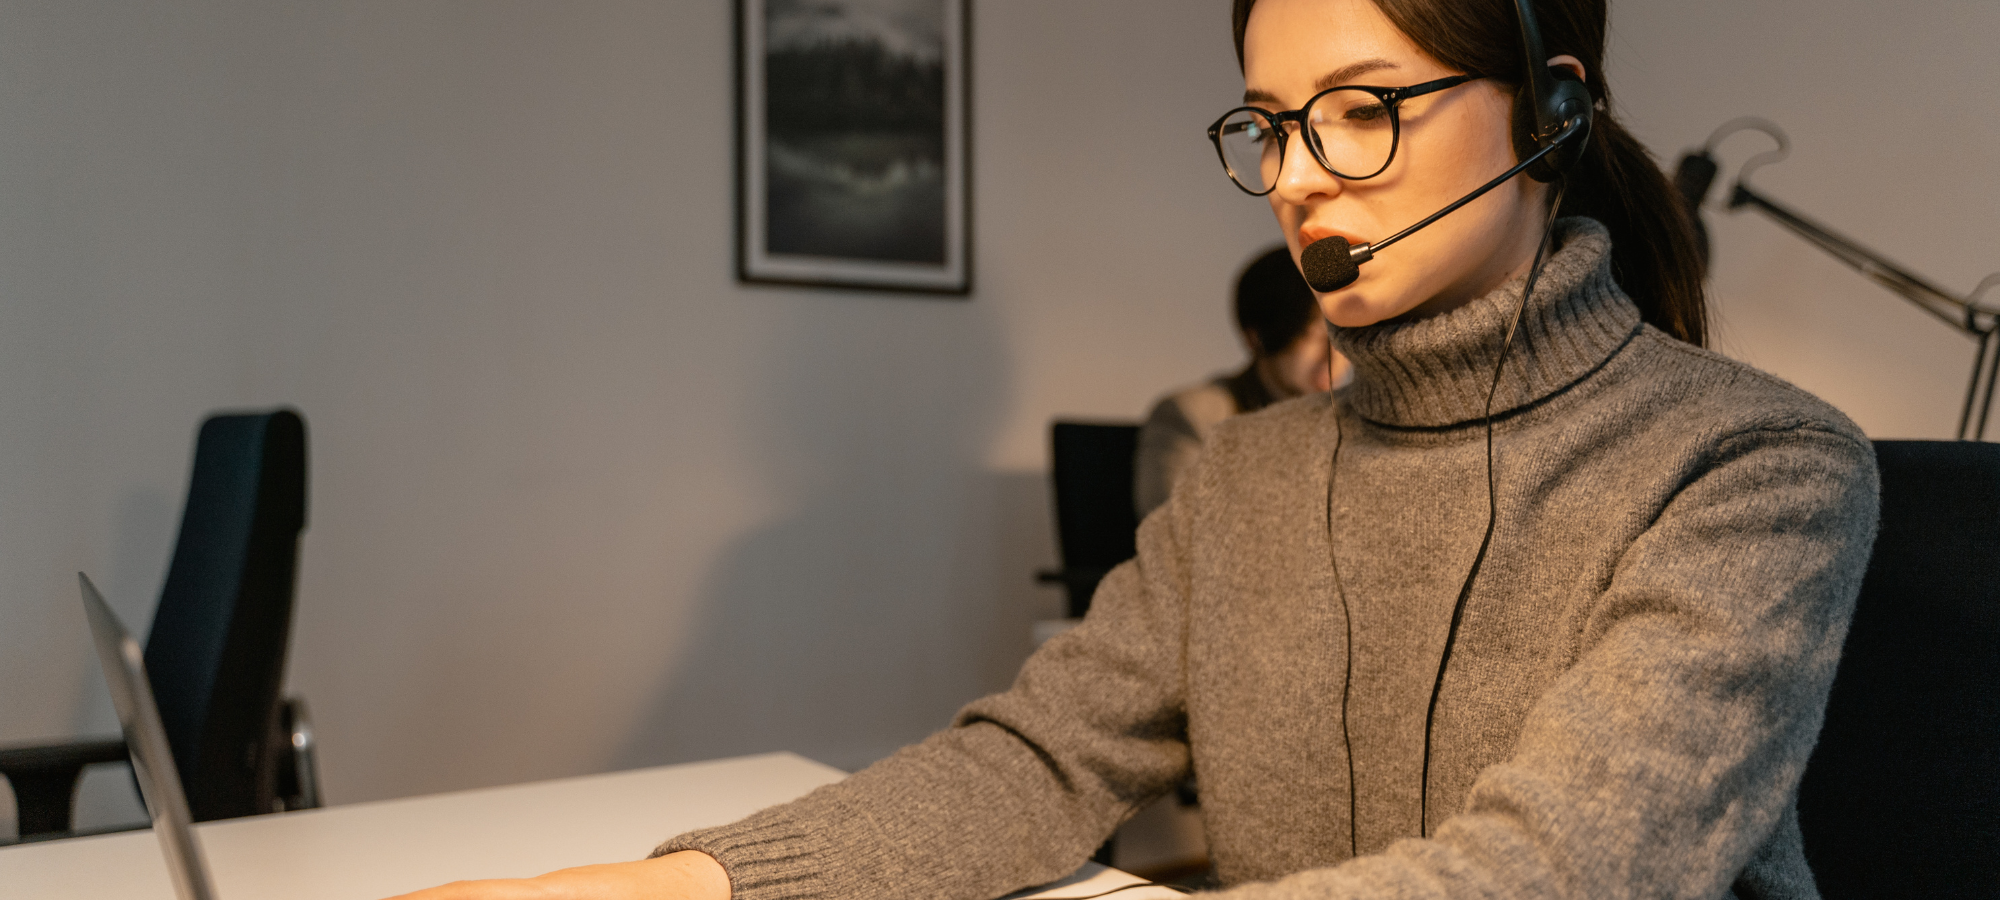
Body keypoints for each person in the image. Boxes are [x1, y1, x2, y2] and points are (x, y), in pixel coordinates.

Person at [394, 0, 1879, 898]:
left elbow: (1570, 871)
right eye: (1272, 126)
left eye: (1363, 113)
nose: (1299, 181)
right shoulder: (1243, 478)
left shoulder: (1754, 467)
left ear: (1551, 113)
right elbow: (1034, 765)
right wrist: (684, 880)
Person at [1134, 247, 1348, 519]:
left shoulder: (1358, 422)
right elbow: (1179, 535)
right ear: (1256, 338)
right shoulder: (1195, 417)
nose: (1333, 354)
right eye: (1311, 335)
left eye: (1343, 330)